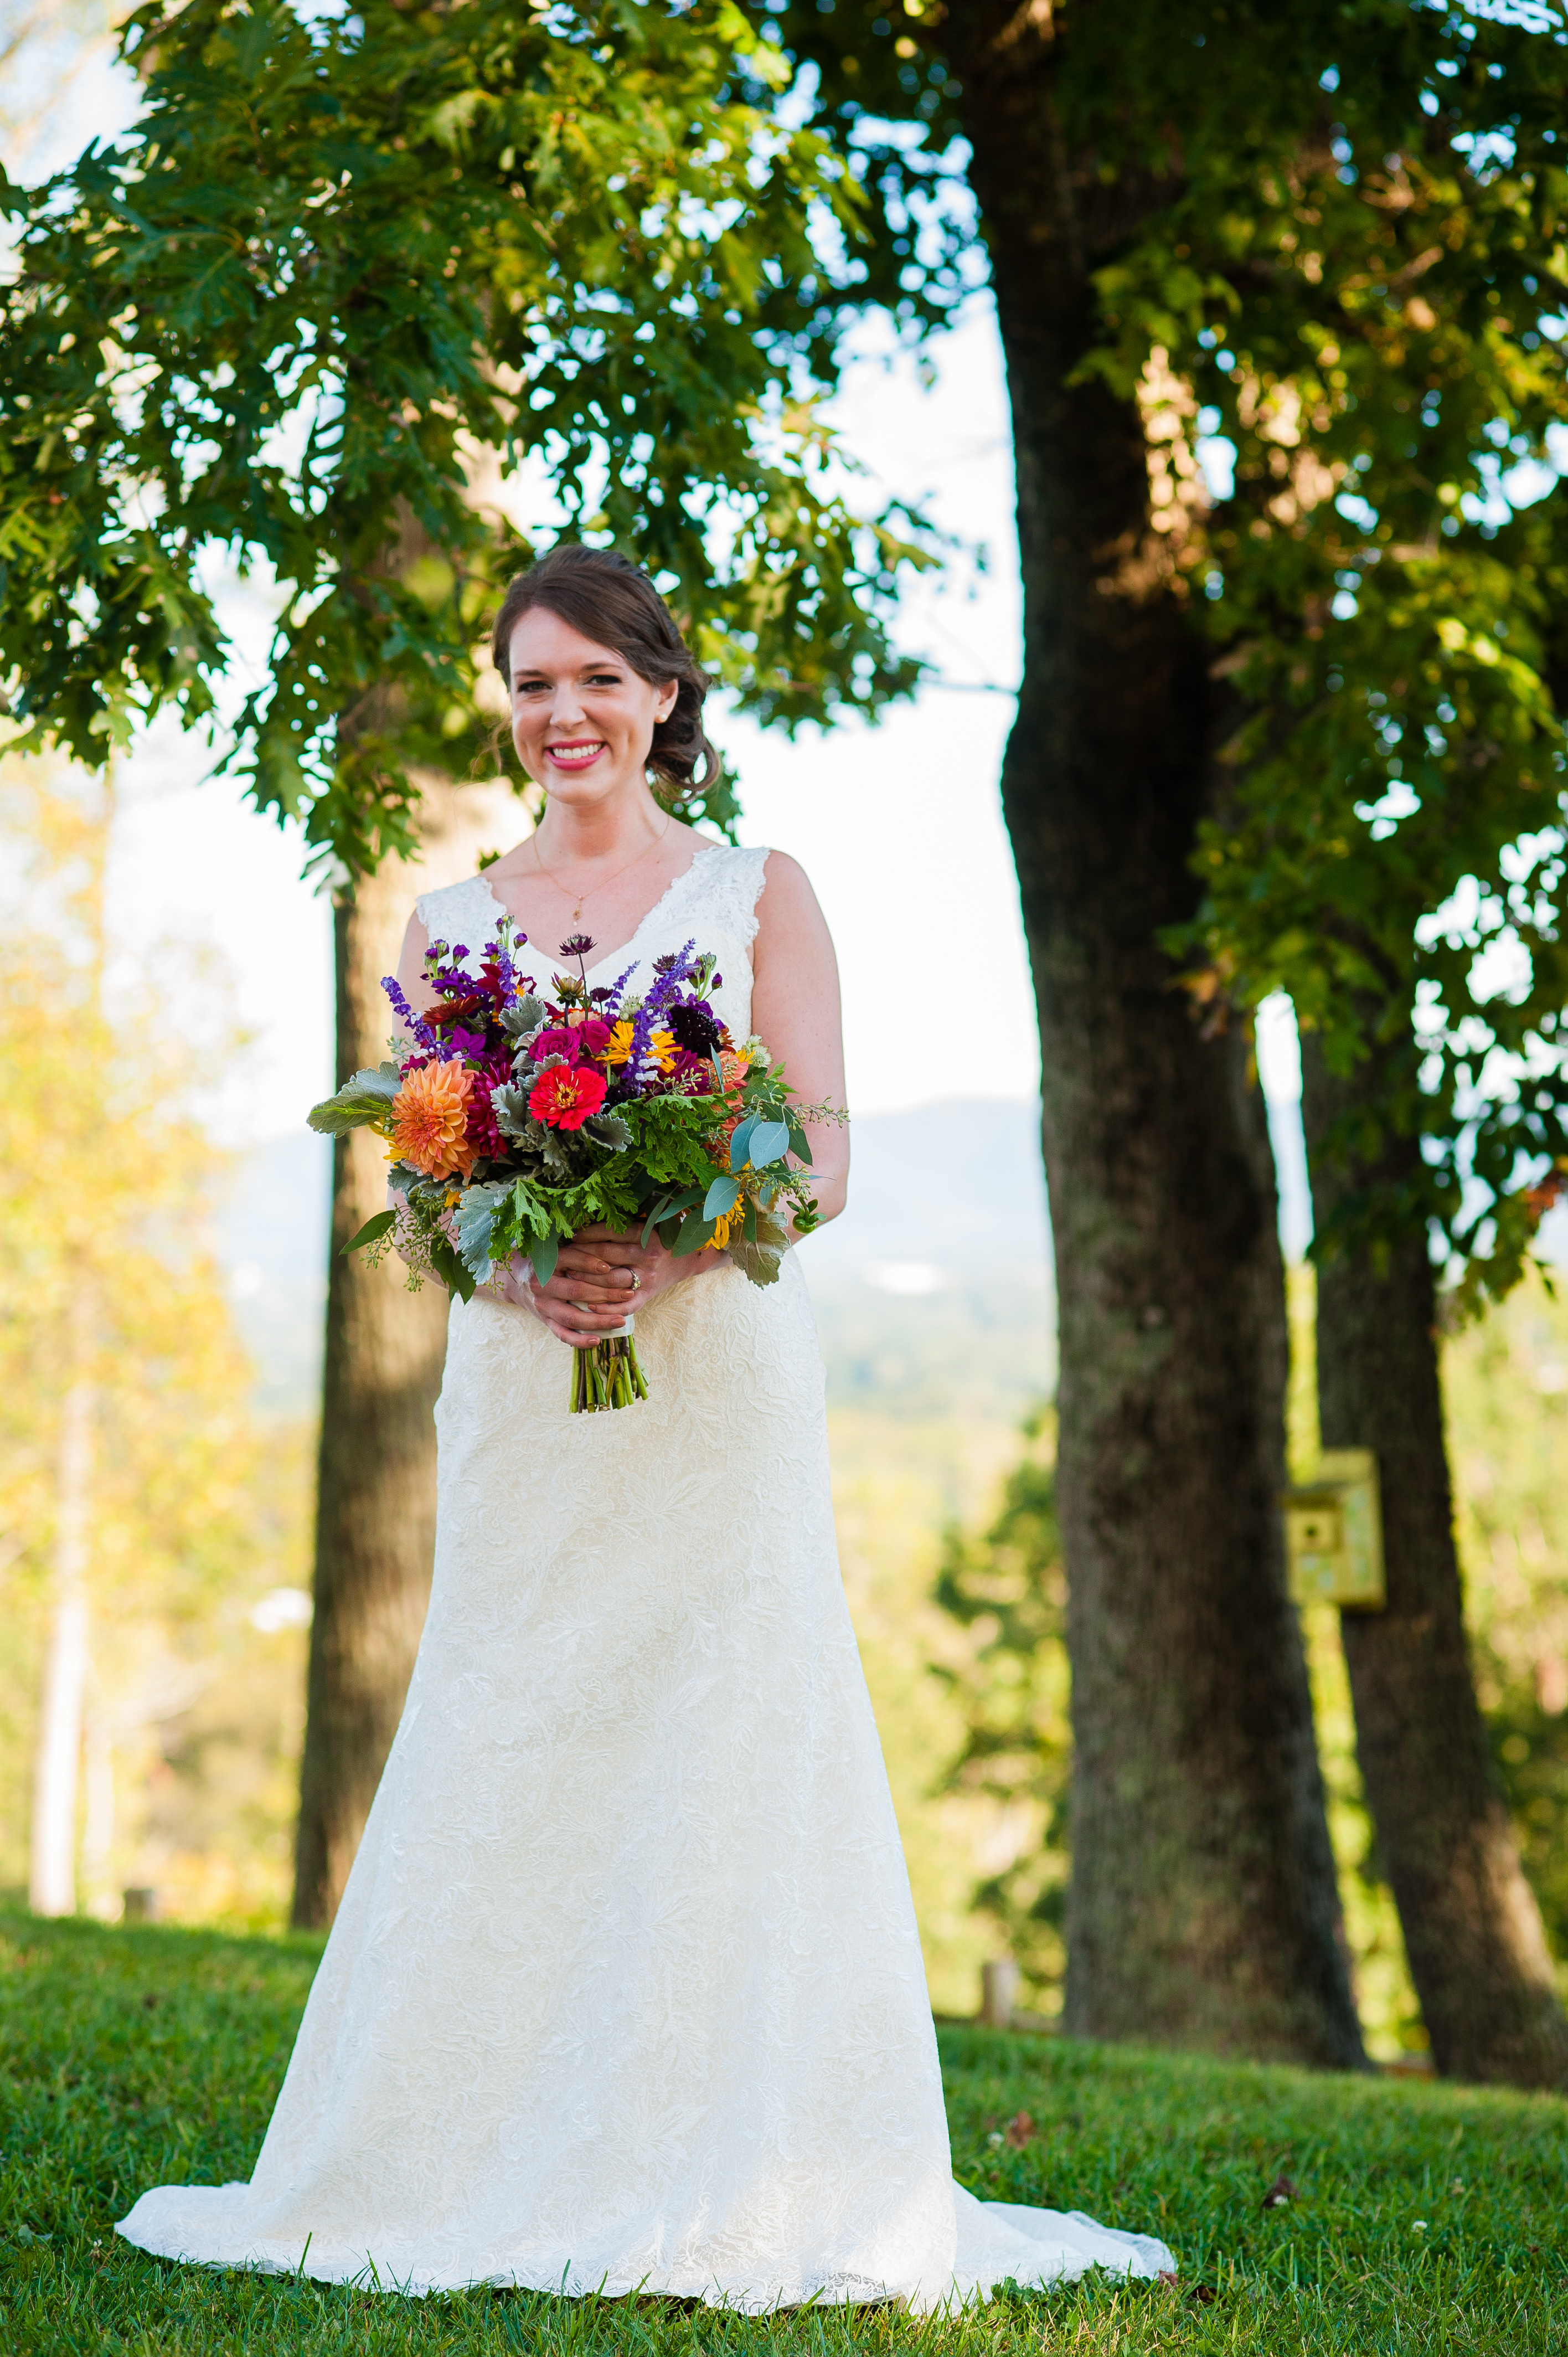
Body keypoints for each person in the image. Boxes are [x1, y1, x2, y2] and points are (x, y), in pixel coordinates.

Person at [117, 546, 1174, 2309]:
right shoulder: (447, 927)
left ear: (665, 696)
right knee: (516, 1720)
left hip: (715, 1383)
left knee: (721, 1724)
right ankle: (452, 2152)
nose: (564, 715)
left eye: (600, 680)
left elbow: (822, 1153)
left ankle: (740, 2159)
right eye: (533, 684)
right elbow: (432, 1184)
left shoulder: (760, 893)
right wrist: (526, 1274)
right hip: (527, 1388)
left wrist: (668, 1237)